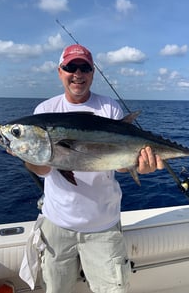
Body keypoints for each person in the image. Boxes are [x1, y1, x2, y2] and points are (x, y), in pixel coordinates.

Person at [24, 44, 164, 293]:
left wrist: (138, 165)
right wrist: (26, 152)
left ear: (92, 73)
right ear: (60, 72)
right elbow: (43, 170)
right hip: (57, 224)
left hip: (103, 226)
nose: (77, 73)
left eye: (85, 67)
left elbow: (119, 164)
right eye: (70, 67)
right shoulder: (45, 111)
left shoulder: (109, 108)